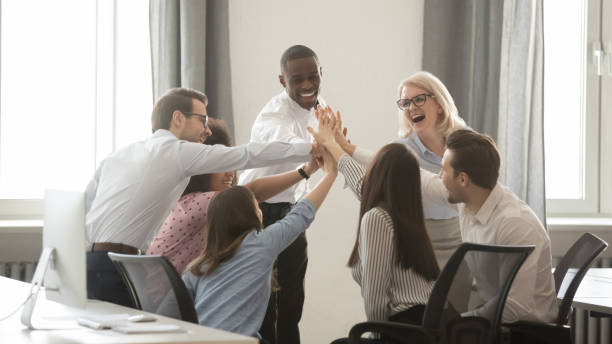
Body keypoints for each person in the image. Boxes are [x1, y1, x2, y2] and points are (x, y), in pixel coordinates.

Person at [85, 87, 314, 308]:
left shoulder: (118, 155)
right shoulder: (175, 152)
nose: (208, 130)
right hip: (116, 266)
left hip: (89, 260)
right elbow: (247, 155)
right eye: (202, 120)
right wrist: (314, 149)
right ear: (177, 118)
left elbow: (85, 207)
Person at [309, 108, 439, 343]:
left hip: (401, 331)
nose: (367, 170)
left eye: (372, 166)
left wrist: (376, 336)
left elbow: (375, 294)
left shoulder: (378, 218)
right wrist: (336, 146)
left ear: (379, 174)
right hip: (423, 330)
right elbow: (363, 185)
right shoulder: (406, 216)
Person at [182, 145, 338, 339]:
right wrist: (331, 173)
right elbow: (301, 214)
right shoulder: (259, 245)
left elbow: (175, 309)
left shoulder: (198, 266)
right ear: (251, 214)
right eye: (257, 206)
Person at [418, 129, 558, 323]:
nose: (439, 176)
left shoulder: (515, 224)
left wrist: (461, 322)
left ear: (463, 179)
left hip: (524, 331)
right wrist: (362, 153)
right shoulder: (468, 200)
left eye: (443, 170)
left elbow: (515, 306)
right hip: (495, 320)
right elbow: (421, 180)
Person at [147, 119, 319, 275]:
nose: (231, 173)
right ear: (201, 170)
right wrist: (305, 171)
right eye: (222, 166)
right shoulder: (195, 204)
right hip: (165, 302)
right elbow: (253, 192)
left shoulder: (185, 201)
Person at [333, 71, 466, 269]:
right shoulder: (401, 149)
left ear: (439, 104)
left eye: (419, 99)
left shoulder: (466, 142)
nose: (412, 108)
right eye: (405, 103)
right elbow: (374, 178)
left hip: (461, 237)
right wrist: (342, 150)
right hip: (419, 241)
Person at [237, 44, 324, 344]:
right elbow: (284, 144)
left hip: (290, 210)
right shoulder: (272, 116)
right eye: (297, 79)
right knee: (261, 307)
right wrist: (319, 149)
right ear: (282, 80)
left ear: (320, 73)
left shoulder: (319, 106)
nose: (307, 85)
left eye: (312, 76)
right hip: (256, 213)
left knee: (291, 304)